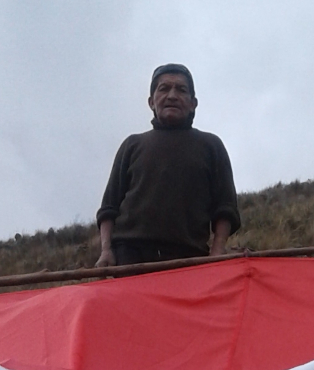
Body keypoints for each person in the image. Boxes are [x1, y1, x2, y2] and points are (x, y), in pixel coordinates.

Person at [94, 64, 241, 267]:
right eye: (164, 88)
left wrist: (217, 252)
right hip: (129, 258)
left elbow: (225, 208)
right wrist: (106, 251)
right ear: (151, 101)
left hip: (188, 259)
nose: (172, 95)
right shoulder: (132, 145)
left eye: (181, 90)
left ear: (193, 103)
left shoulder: (211, 146)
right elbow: (109, 208)